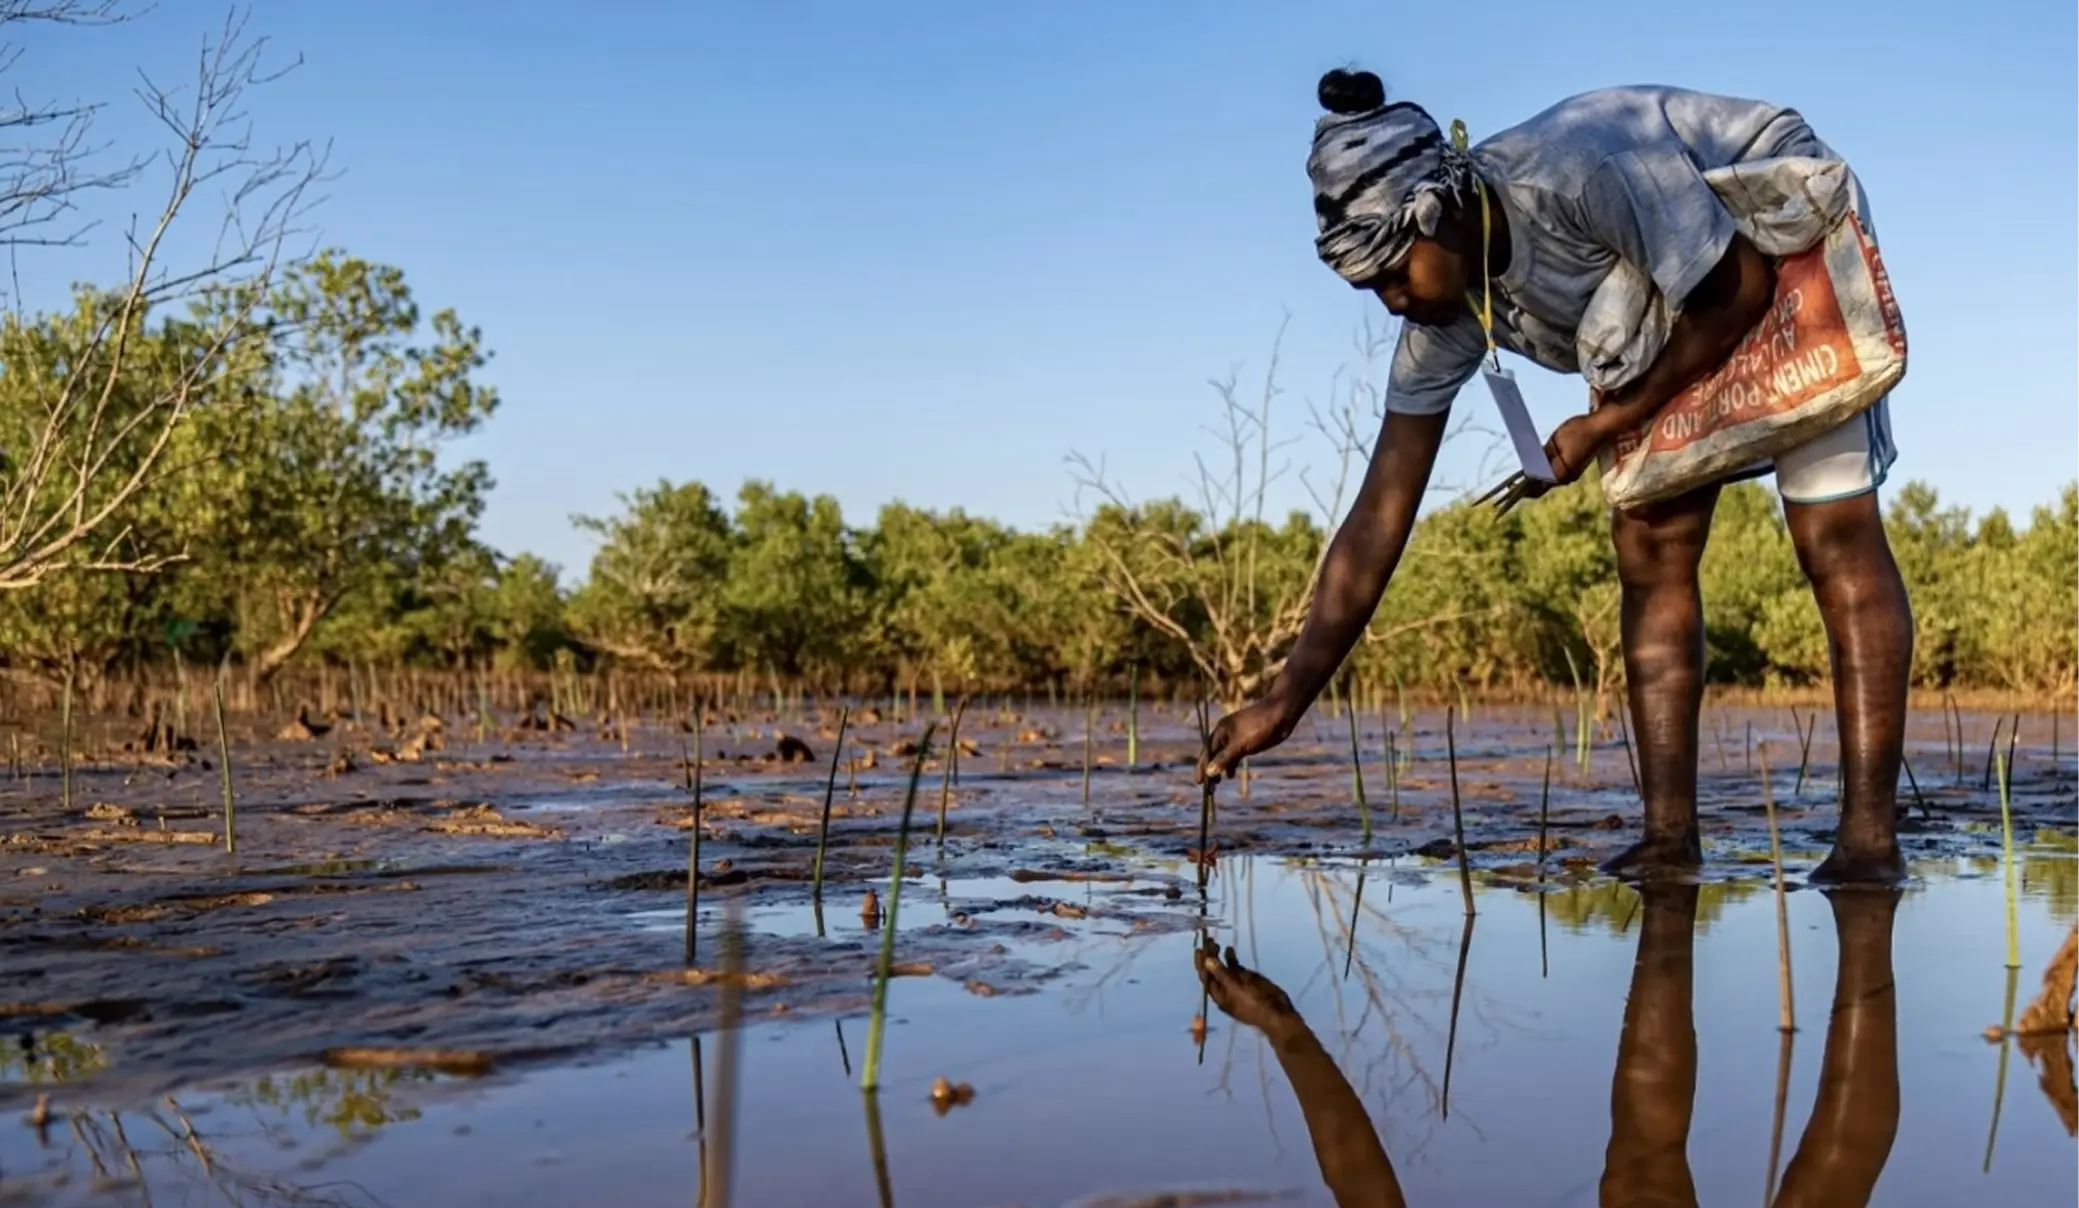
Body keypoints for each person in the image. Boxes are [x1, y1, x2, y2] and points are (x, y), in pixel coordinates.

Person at [1197, 69, 1915, 883]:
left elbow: (1735, 288)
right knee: (1648, 544)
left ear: (1440, 213)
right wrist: (1285, 698)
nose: (1391, 301)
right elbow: (1378, 515)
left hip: (1769, 233)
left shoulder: (1582, 169)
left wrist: (1600, 425)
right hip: (1664, 295)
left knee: (1830, 529)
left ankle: (1867, 841)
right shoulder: (1448, 314)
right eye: (1372, 289)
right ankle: (1668, 839)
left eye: (1394, 274)